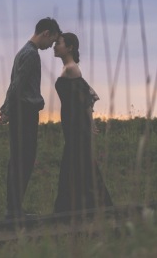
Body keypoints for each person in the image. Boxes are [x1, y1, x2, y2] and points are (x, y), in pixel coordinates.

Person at [0, 17, 61, 220]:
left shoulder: (23, 52)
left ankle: (14, 208)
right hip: (25, 112)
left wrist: (6, 107)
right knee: (23, 159)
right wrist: (7, 109)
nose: (51, 46)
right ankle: (14, 210)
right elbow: (18, 85)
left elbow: (14, 83)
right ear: (46, 33)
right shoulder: (31, 54)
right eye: (51, 41)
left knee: (19, 159)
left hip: (19, 111)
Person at [52, 32, 112, 214]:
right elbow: (87, 93)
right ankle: (83, 208)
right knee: (79, 164)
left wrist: (91, 122)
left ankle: (72, 210)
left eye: (59, 43)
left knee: (78, 164)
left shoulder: (72, 69)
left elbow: (86, 97)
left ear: (69, 47)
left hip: (78, 126)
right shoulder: (68, 68)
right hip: (72, 125)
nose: (55, 46)